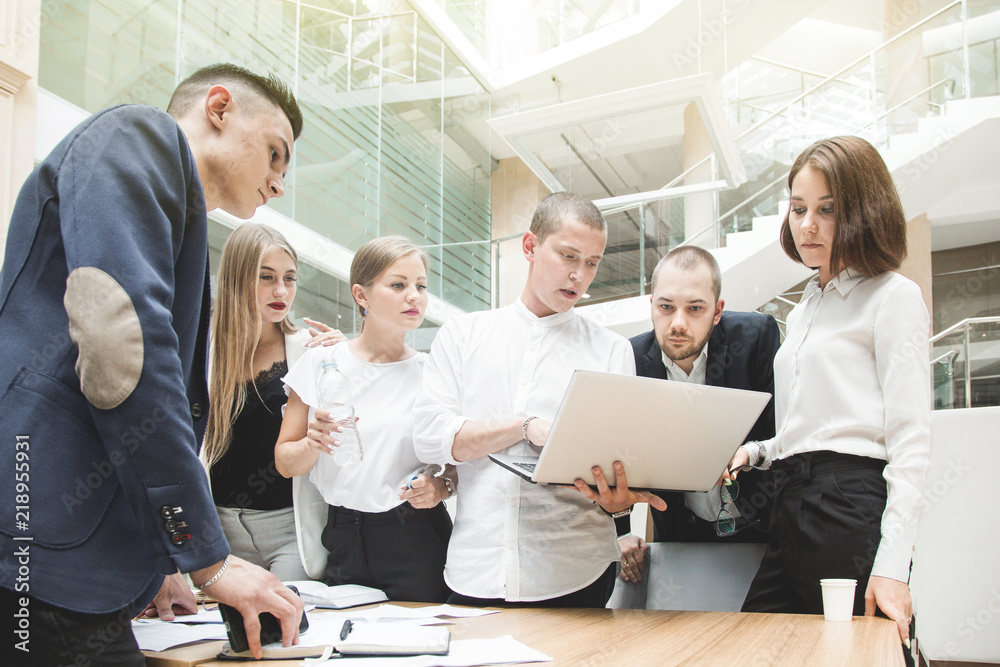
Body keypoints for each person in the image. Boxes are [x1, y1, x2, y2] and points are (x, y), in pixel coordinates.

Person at [0, 64, 307, 663]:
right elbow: (122, 348)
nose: (276, 183)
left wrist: (160, 556)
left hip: (73, 552)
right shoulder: (139, 136)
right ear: (219, 108)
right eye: (274, 154)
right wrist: (207, 558)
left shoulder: (183, 220)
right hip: (44, 544)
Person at [413, 192, 665, 608]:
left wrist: (617, 500)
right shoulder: (463, 335)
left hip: (576, 573)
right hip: (474, 570)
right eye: (568, 256)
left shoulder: (611, 350)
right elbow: (429, 437)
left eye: (592, 263)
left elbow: (617, 463)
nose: (579, 276)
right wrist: (524, 427)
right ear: (530, 246)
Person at [726, 136, 930, 648]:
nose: (807, 225)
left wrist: (893, 567)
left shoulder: (893, 297)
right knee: (759, 649)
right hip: (790, 498)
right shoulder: (803, 309)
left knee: (847, 655)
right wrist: (753, 452)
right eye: (798, 208)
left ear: (863, 209)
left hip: (849, 504)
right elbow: (804, 427)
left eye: (827, 209)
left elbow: (910, 444)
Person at [275, 236, 455, 602]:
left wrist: (442, 487)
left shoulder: (434, 373)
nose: (414, 296)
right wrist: (313, 443)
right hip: (342, 536)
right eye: (398, 285)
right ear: (362, 296)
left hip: (416, 535)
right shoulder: (321, 362)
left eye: (421, 286)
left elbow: (461, 463)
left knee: (422, 651)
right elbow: (284, 462)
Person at [617, 245, 780, 583]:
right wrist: (620, 531)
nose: (678, 323)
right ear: (651, 306)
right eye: (666, 307)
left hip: (763, 532)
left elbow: (782, 433)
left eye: (695, 309)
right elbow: (616, 451)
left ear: (717, 311)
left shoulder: (755, 339)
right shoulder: (628, 357)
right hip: (680, 537)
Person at [201, 223, 344, 583]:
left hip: (289, 532)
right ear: (237, 278)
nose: (281, 290)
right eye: (266, 277)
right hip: (218, 532)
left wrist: (351, 358)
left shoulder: (309, 351)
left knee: (290, 633)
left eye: (290, 278)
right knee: (230, 639)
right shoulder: (202, 353)